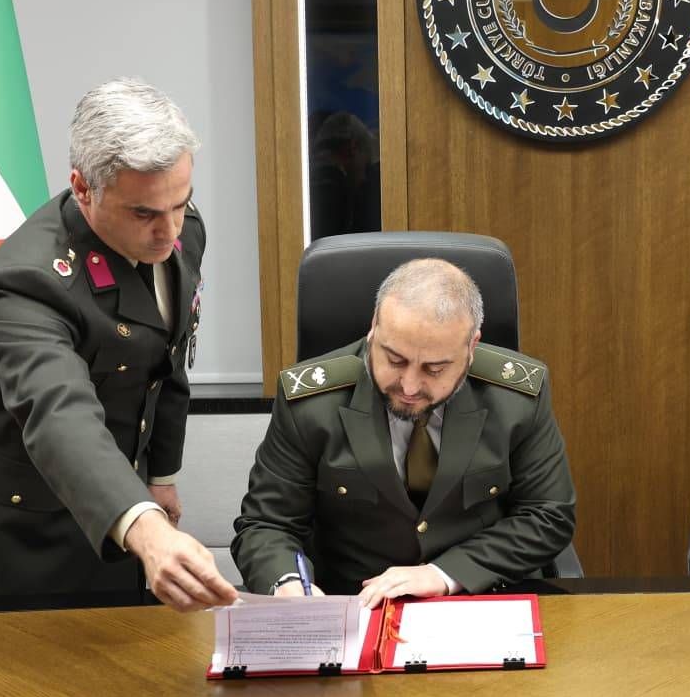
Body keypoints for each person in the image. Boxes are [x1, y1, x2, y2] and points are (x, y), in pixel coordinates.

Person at [0, 78, 237, 612]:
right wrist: (146, 528)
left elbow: (166, 359)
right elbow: (60, 414)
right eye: (144, 213)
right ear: (82, 188)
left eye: (180, 202)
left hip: (127, 501)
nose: (169, 231)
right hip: (29, 529)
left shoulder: (181, 229)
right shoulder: (23, 282)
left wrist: (160, 477)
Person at [231, 258, 576, 605]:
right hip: (354, 604)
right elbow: (267, 524)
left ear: (471, 348)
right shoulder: (311, 404)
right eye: (394, 360)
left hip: (479, 600)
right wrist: (288, 584)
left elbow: (548, 515)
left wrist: (445, 573)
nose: (409, 386)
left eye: (434, 369)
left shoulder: (515, 399)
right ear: (373, 328)